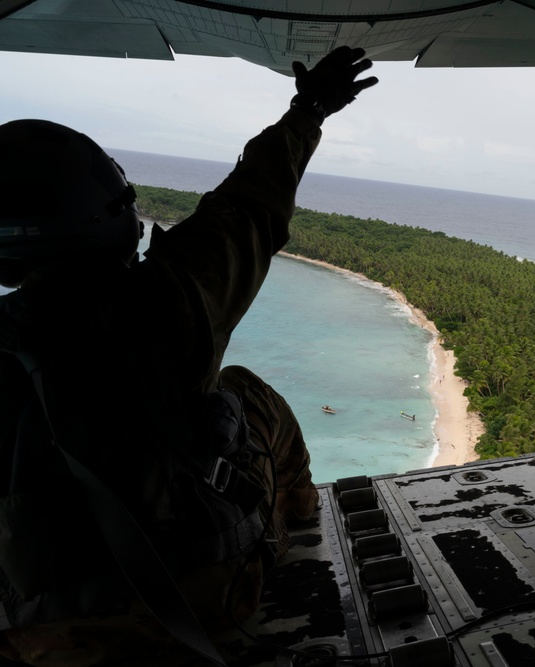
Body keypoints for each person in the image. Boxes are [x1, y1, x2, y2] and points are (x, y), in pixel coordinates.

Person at [0, 46, 377, 663]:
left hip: (35, 636)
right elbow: (251, 204)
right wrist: (310, 109)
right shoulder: (172, 296)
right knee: (245, 389)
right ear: (110, 213)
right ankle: (300, 513)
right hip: (201, 594)